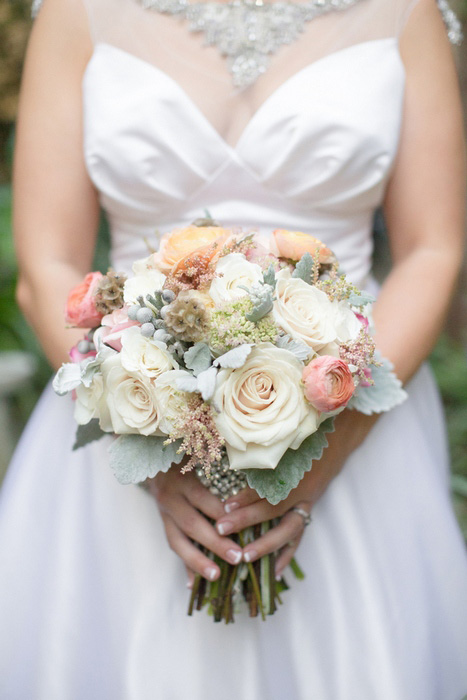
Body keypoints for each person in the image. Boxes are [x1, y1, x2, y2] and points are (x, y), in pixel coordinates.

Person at [1, 0, 467, 697]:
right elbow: (47, 270)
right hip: (125, 424)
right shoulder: (75, 11)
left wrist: (326, 451)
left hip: (358, 416)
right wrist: (155, 446)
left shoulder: (407, 12)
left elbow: (432, 249)